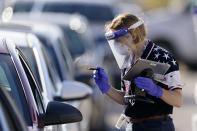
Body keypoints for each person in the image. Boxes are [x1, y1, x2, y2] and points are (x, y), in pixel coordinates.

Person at [93, 14, 183, 131]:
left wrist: (157, 90)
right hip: (132, 125)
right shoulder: (128, 59)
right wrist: (106, 88)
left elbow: (178, 100)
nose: (116, 43)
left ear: (133, 34)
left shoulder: (162, 57)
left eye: (118, 39)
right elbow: (127, 99)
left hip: (157, 126)